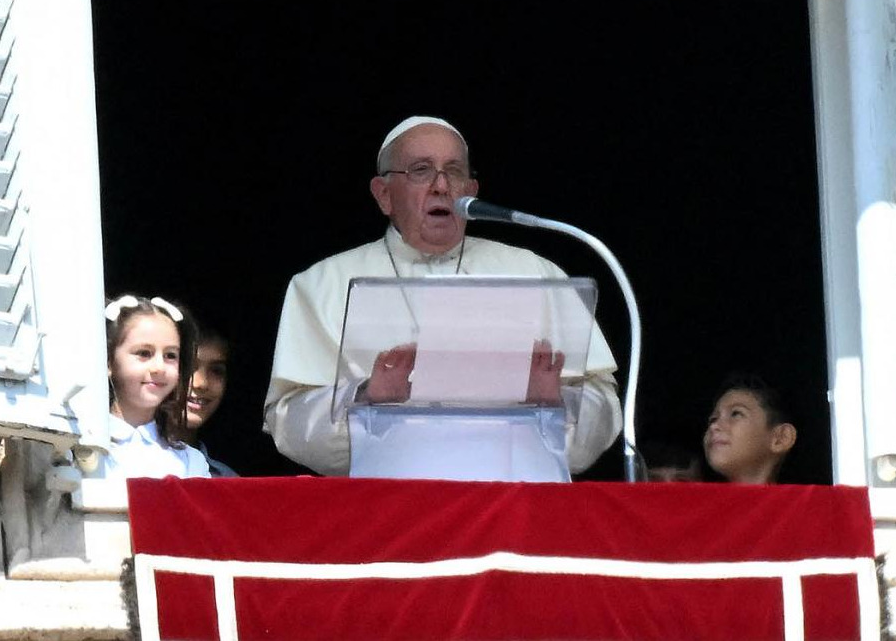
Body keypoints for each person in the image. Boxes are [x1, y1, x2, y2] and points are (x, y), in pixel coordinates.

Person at [264, 115, 622, 476]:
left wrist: (552, 403)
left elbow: (604, 403)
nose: (441, 186)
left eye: (453, 171)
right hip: (392, 507)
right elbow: (288, 420)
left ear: (471, 189)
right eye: (421, 170)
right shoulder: (322, 284)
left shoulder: (535, 273)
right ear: (384, 194)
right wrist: (367, 397)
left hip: (517, 502)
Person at [103, 294, 210, 479]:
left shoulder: (190, 461)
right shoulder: (77, 448)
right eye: (144, 353)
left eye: (170, 355)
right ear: (108, 362)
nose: (159, 367)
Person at [702, 374, 797, 484]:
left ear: (781, 438)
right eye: (713, 419)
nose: (714, 426)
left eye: (736, 414)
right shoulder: (694, 500)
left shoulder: (808, 500)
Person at [183, 322, 238, 477]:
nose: (201, 383)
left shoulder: (227, 482)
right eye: (187, 366)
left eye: (216, 370)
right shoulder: (115, 463)